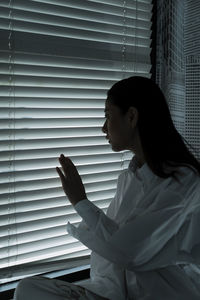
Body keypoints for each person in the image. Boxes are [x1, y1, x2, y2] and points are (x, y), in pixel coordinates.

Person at [14, 76, 200, 300]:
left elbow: (129, 251)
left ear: (131, 117)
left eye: (108, 116)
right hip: (116, 291)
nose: (103, 128)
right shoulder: (128, 179)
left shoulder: (183, 182)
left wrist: (80, 201)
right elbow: (110, 251)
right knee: (28, 288)